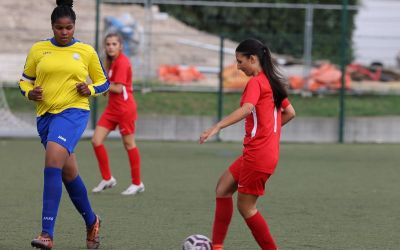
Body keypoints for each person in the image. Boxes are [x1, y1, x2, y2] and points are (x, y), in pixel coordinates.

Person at [18, 0, 109, 249]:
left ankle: (47, 234)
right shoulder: (38, 49)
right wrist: (29, 93)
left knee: (52, 162)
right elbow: (24, 81)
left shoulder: (87, 51)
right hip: (45, 117)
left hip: (73, 113)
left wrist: (89, 88)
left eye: (69, 28)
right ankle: (92, 221)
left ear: (74, 26)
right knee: (68, 173)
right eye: (60, 28)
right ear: (52, 26)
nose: (65, 32)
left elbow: (104, 83)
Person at [199, 39, 296, 250]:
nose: (238, 66)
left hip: (258, 155)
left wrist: (217, 127)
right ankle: (216, 246)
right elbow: (290, 112)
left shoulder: (256, 82)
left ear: (253, 59)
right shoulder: (272, 81)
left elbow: (246, 109)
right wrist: (270, 130)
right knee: (223, 188)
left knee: (246, 208)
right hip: (261, 152)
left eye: (240, 61)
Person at [91, 33, 144, 196]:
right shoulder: (110, 62)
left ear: (121, 46)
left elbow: (118, 88)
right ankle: (107, 178)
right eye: (108, 44)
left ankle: (137, 183)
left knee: (129, 144)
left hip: (125, 109)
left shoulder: (122, 62)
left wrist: (93, 87)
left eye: (114, 44)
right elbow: (109, 85)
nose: (111, 47)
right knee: (96, 140)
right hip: (112, 109)